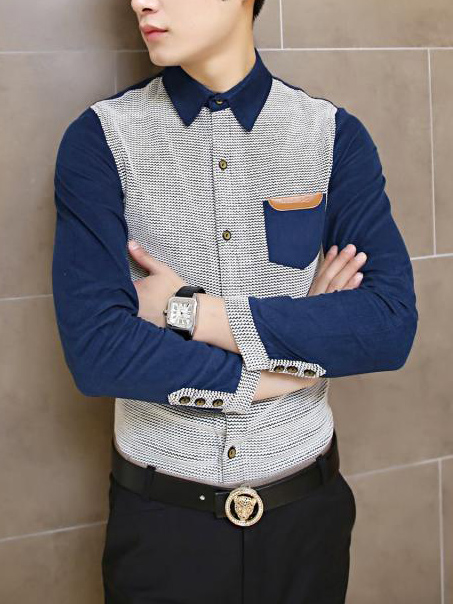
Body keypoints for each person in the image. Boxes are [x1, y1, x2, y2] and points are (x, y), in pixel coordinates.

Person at [51, 0, 418, 602]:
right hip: (162, 528)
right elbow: (99, 351)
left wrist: (187, 310)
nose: (142, 1)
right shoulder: (100, 139)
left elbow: (387, 324)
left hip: (308, 520)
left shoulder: (331, 134)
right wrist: (278, 372)